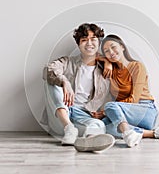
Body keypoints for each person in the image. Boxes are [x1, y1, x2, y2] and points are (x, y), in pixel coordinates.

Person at [41, 23, 115, 153]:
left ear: (99, 42)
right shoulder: (67, 62)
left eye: (93, 39)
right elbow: (48, 69)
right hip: (62, 115)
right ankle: (68, 128)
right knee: (52, 81)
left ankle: (90, 141)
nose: (89, 43)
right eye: (84, 40)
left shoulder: (106, 69)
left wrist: (107, 61)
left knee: (99, 125)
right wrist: (65, 82)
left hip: (84, 114)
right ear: (79, 44)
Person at [99, 34, 159, 148]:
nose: (111, 52)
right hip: (124, 114)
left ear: (122, 47)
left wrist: (106, 111)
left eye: (113, 47)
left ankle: (127, 133)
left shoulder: (137, 66)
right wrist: (106, 62)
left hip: (145, 109)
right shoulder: (111, 72)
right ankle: (152, 133)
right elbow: (91, 55)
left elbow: (134, 99)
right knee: (102, 126)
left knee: (109, 106)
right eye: (106, 51)